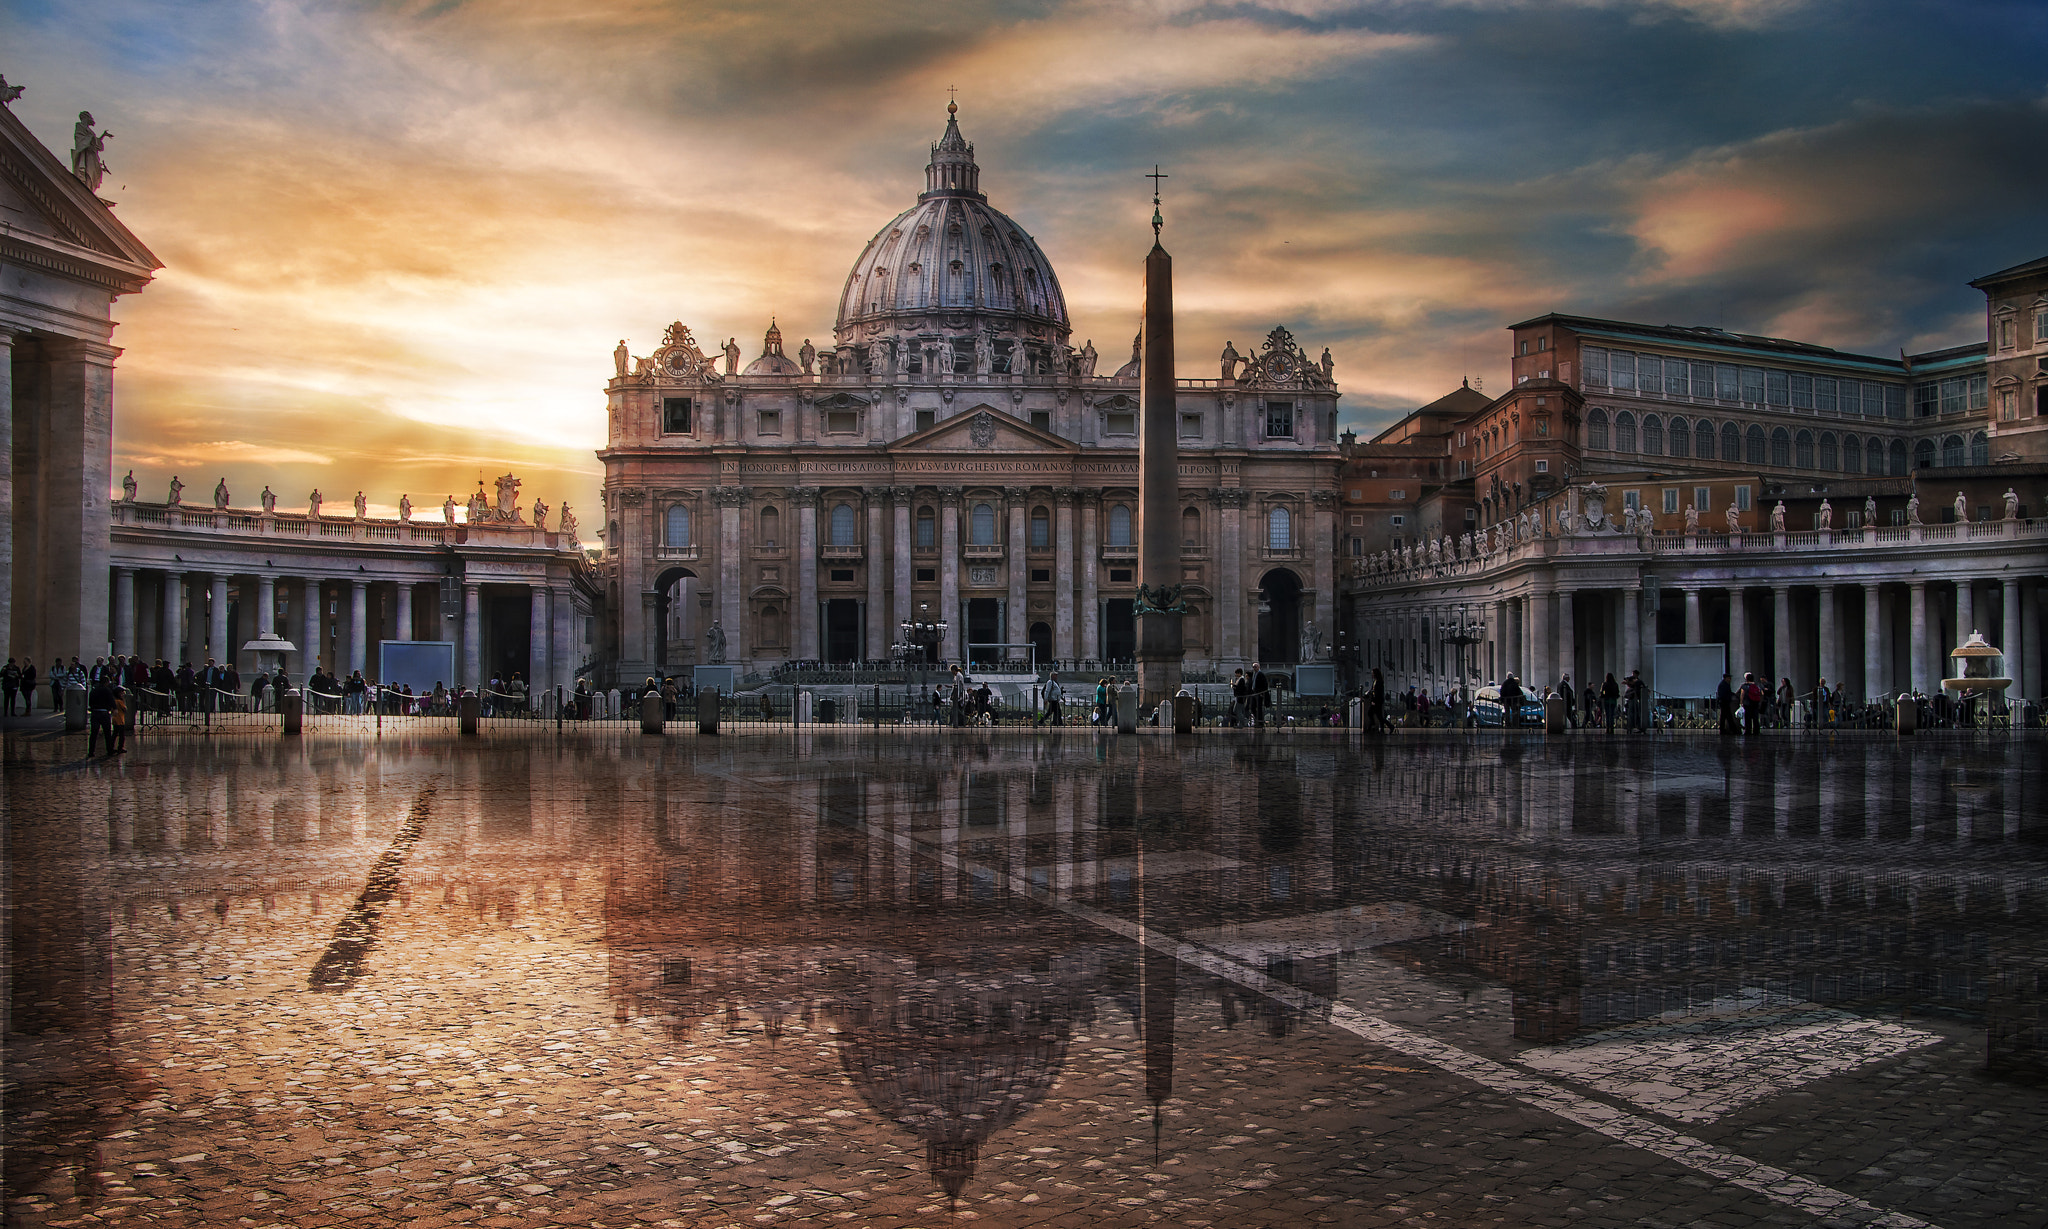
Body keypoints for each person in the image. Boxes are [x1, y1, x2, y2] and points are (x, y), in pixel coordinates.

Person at [87, 674, 116, 756]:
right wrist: (114, 708)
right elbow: (111, 700)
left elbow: (90, 701)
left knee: (93, 733)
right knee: (107, 733)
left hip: (95, 712)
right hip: (104, 712)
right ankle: (109, 750)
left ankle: (91, 751)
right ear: (106, 682)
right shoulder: (107, 690)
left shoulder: (94, 690)